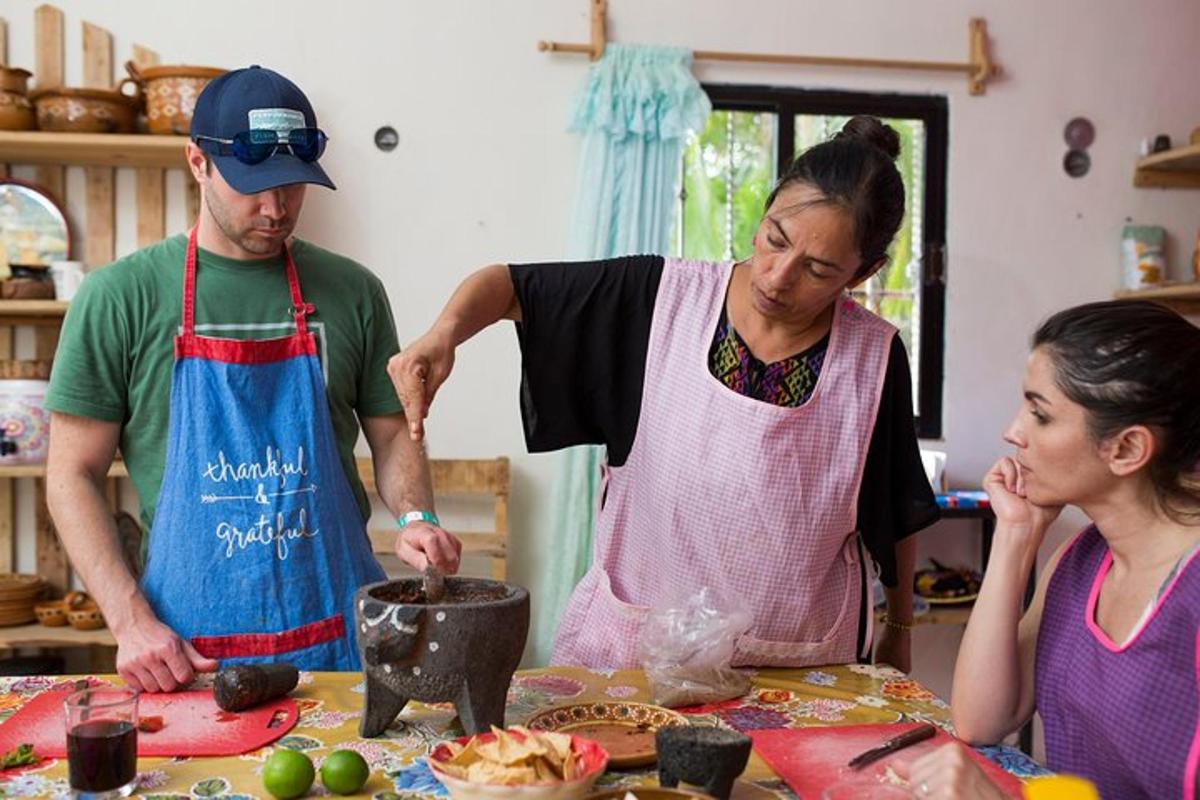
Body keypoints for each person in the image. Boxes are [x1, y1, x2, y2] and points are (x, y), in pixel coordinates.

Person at [389, 116, 939, 671]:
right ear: (766, 210)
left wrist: (899, 626)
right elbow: (508, 286)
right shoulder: (658, 299)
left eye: (818, 270)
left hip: (797, 665)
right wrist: (442, 336)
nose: (777, 277)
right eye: (776, 239)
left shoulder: (873, 357)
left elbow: (894, 508)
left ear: (863, 272)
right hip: (637, 658)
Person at [45, 66, 460, 692]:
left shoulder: (354, 292)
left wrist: (415, 518)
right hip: (187, 651)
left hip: (340, 639)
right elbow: (70, 473)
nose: (276, 208)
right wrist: (129, 620)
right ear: (197, 161)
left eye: (293, 185)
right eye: (252, 185)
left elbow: (393, 434)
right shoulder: (119, 298)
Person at [907, 300, 1200, 799]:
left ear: (1127, 449)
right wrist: (1016, 535)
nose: (1013, 432)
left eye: (1040, 415)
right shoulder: (1082, 559)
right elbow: (982, 721)